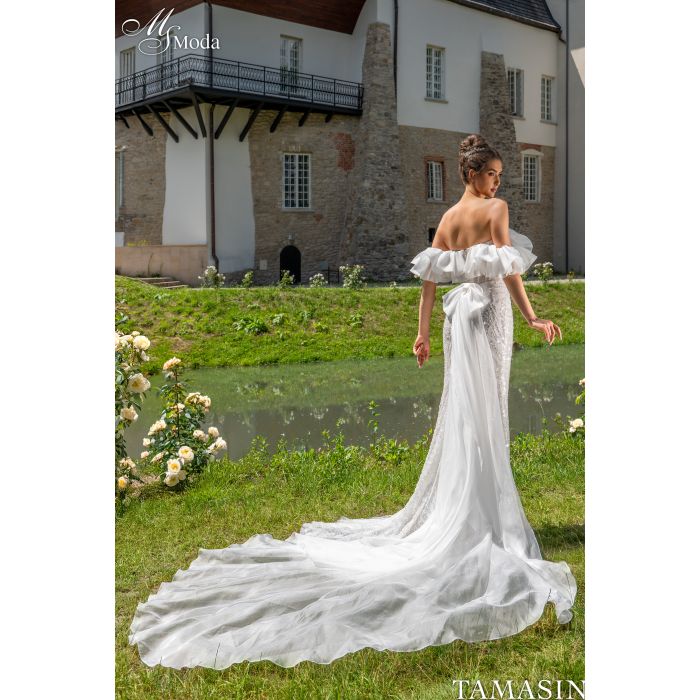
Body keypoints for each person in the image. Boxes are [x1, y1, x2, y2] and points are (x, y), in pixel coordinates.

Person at [128, 134, 577, 670]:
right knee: (485, 412)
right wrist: (532, 317)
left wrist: (422, 335)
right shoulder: (495, 213)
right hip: (490, 315)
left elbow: (428, 285)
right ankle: (484, 516)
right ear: (472, 174)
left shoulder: (447, 220)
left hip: (459, 322)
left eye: (500, 176)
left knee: (465, 413)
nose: (498, 183)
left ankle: (470, 506)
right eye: (492, 174)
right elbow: (508, 271)